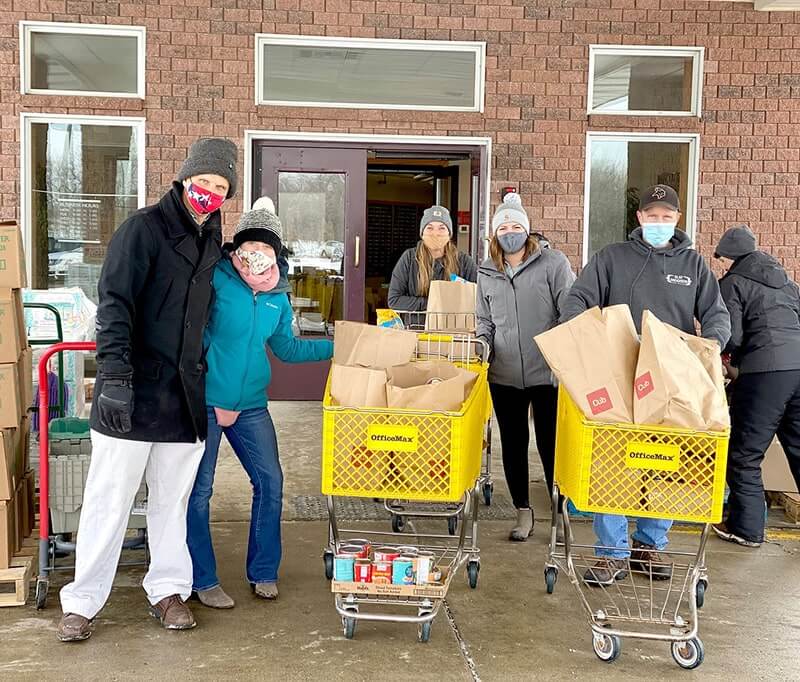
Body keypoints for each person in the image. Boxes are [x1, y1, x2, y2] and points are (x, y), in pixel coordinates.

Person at [57, 138, 239, 641]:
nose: (210, 192)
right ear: (183, 180)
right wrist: (113, 376)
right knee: (109, 499)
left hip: (183, 394)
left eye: (221, 187)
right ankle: (82, 602)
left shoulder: (210, 239)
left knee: (171, 502)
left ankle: (168, 590)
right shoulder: (142, 229)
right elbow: (114, 304)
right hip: (132, 391)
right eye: (204, 182)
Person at [561, 184, 731, 586]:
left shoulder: (693, 266)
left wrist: (708, 350)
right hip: (619, 376)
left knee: (663, 466)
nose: (658, 223)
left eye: (666, 216)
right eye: (651, 216)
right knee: (612, 463)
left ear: (677, 219)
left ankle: (649, 545)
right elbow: (578, 299)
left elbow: (717, 315)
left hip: (671, 383)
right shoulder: (612, 258)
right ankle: (611, 553)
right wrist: (584, 338)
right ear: (639, 219)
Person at [187, 202, 333, 608]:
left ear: (275, 253)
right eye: (249, 244)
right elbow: (191, 332)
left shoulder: (277, 297)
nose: (256, 254)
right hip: (206, 401)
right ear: (236, 248)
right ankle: (202, 578)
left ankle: (264, 571)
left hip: (251, 404)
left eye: (265, 247)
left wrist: (340, 348)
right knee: (199, 491)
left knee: (270, 482)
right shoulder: (216, 280)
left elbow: (286, 349)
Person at [476, 193, 575, 541]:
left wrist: (560, 351)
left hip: (546, 372)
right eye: (503, 226)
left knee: (552, 444)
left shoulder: (553, 263)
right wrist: (481, 348)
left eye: (516, 225)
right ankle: (523, 512)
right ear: (495, 234)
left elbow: (570, 309)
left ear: (527, 230)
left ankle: (559, 511)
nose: (510, 231)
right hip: (503, 374)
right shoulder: (486, 271)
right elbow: (483, 321)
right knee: (514, 444)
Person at [711, 225, 800, 548]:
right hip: (798, 368)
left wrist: (726, 360)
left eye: (721, 259)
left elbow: (731, 336)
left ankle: (746, 529)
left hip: (764, 373)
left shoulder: (733, 283)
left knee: (744, 453)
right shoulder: (787, 282)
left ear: (729, 257)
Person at [388, 205, 477, 311]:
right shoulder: (409, 258)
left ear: (449, 234)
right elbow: (394, 300)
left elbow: (478, 298)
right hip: (417, 326)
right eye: (429, 228)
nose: (435, 233)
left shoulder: (464, 262)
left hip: (454, 325)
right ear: (422, 233)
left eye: (442, 228)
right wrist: (433, 303)